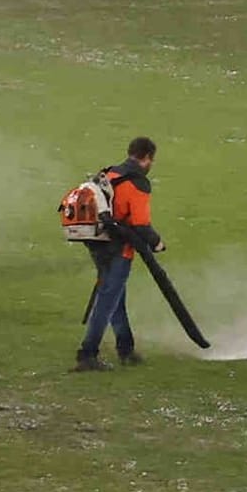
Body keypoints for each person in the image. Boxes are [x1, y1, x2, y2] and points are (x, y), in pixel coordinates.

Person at [75, 138, 165, 372]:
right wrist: (157, 243)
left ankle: (126, 349)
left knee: (115, 298)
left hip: (96, 242)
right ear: (147, 157)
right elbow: (141, 224)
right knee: (107, 300)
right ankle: (87, 353)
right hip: (118, 248)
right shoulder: (138, 183)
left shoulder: (110, 174)